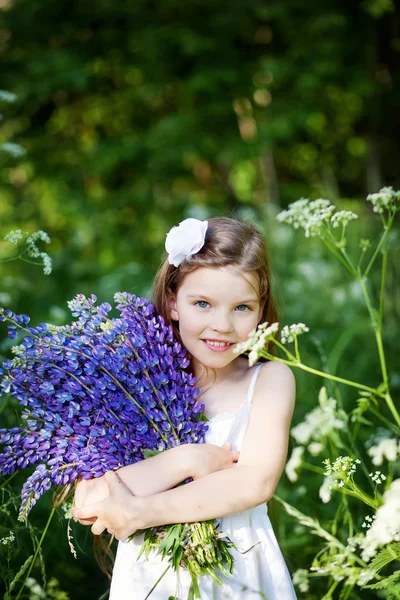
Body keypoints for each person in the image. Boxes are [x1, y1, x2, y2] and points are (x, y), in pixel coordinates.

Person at [73, 216, 297, 599]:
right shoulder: (135, 387)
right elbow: (90, 501)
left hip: (240, 573)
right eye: (203, 304)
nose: (223, 325)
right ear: (174, 302)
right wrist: (186, 460)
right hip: (150, 580)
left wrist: (141, 512)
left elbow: (254, 481)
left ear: (261, 310)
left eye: (242, 308)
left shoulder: (269, 381)